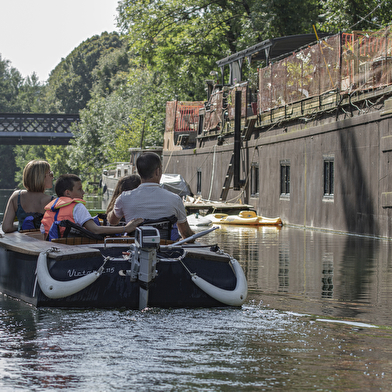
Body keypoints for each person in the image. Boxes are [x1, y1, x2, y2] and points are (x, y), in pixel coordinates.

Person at [107, 152, 194, 240]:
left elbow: (112, 221)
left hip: (135, 250)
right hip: (164, 251)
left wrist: (115, 207)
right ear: (157, 171)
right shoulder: (175, 199)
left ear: (138, 172)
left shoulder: (124, 197)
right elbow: (186, 234)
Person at [41, 174, 143, 240]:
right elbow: (96, 230)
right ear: (68, 193)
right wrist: (126, 228)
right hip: (70, 250)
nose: (83, 192)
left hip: (51, 247)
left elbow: (43, 231)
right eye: (80, 189)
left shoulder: (50, 209)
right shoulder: (77, 207)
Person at [2, 160, 54, 233]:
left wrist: (20, 226)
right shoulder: (53, 201)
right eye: (50, 174)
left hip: (23, 242)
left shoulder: (17, 196)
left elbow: (6, 227)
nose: (53, 177)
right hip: (43, 242)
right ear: (41, 177)